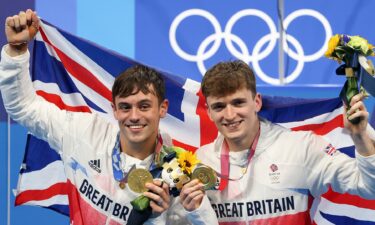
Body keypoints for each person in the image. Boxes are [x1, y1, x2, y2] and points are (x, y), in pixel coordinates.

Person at [0, 9, 218, 225]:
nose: (134, 116)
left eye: (144, 106)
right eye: (125, 107)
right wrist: (17, 51)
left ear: (162, 109)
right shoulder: (83, 133)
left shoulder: (179, 175)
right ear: (114, 109)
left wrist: (155, 220)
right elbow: (23, 107)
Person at [194, 60, 375, 224]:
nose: (230, 115)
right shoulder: (201, 161)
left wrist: (360, 138)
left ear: (257, 102)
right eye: (219, 106)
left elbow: (369, 187)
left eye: (238, 103)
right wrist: (192, 211)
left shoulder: (301, 147)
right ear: (208, 111)